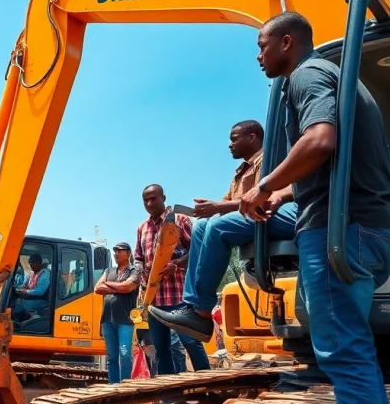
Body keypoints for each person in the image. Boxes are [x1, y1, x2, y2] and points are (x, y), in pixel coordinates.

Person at [240, 11, 390, 404]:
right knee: (358, 360)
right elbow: (332, 160)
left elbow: (319, 140)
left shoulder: (307, 75)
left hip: (340, 231)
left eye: (263, 45)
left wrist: (263, 185)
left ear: (287, 42)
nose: (258, 55)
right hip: (370, 229)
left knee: (346, 359)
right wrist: (282, 192)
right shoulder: (336, 77)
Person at [149, 120, 298, 341]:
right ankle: (193, 307)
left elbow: (261, 198)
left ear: (252, 136)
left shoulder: (269, 159)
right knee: (202, 226)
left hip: (271, 214)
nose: (229, 145)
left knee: (217, 226)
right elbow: (228, 203)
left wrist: (217, 208)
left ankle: (201, 309)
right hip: (252, 219)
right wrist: (210, 209)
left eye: (234, 139)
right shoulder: (241, 172)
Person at [133, 184, 209, 375]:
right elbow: (138, 257)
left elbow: (198, 250)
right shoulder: (142, 228)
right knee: (161, 349)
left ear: (163, 198)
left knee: (191, 343)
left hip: (180, 297)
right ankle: (168, 390)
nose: (149, 203)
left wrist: (177, 264)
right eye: (145, 200)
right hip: (154, 299)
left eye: (153, 198)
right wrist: (142, 272)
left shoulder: (179, 220)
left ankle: (209, 385)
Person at [94, 242, 140, 384]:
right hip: (107, 319)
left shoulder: (134, 271)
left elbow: (127, 287)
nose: (116, 253)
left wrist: (109, 285)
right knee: (112, 357)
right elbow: (97, 288)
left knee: (125, 355)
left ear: (128, 253)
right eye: (115, 251)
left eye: (120, 250)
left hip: (125, 320)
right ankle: (112, 386)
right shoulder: (109, 271)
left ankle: (124, 387)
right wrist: (118, 288)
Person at [11, 253, 51, 324]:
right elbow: (25, 285)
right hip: (31, 298)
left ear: (39, 263)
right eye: (29, 262)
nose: (30, 264)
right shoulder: (32, 274)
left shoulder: (45, 274)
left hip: (42, 300)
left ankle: (35, 318)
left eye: (33, 262)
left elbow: (40, 291)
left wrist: (26, 292)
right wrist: (17, 289)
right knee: (15, 302)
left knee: (23, 304)